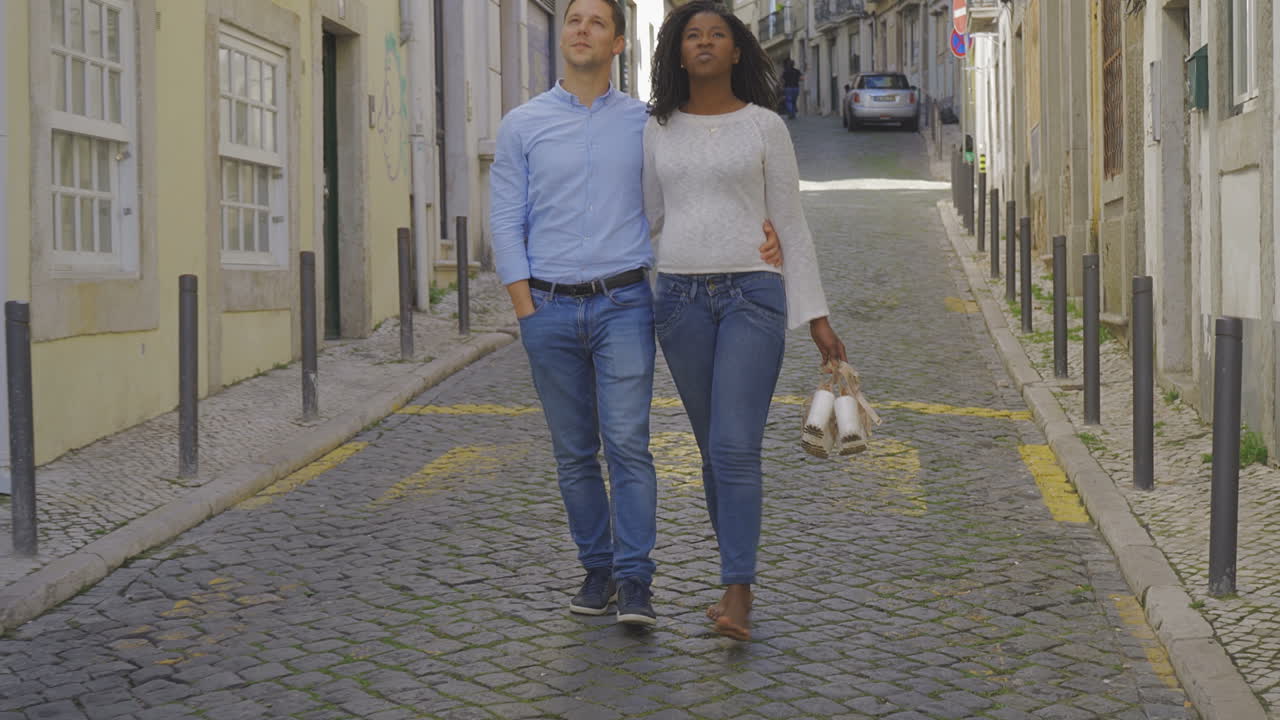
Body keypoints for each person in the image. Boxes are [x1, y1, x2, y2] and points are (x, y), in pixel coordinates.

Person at [489, 0, 781, 628]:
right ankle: (597, 570)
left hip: (626, 303)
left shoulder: (650, 124)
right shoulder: (521, 124)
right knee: (573, 452)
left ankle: (636, 579)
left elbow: (684, 196)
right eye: (574, 20)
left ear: (618, 43)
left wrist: (761, 234)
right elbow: (505, 219)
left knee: (628, 445)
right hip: (547, 306)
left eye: (597, 22)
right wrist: (525, 308)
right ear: (562, 35)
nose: (582, 29)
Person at [642, 1, 846, 641]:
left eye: (717, 34)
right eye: (692, 35)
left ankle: (739, 589)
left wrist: (815, 317)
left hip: (753, 298)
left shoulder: (765, 128)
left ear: (736, 51)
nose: (704, 42)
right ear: (677, 52)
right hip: (677, 302)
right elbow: (647, 221)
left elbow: (791, 224)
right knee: (711, 451)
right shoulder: (657, 129)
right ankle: (733, 579)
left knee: (735, 446)